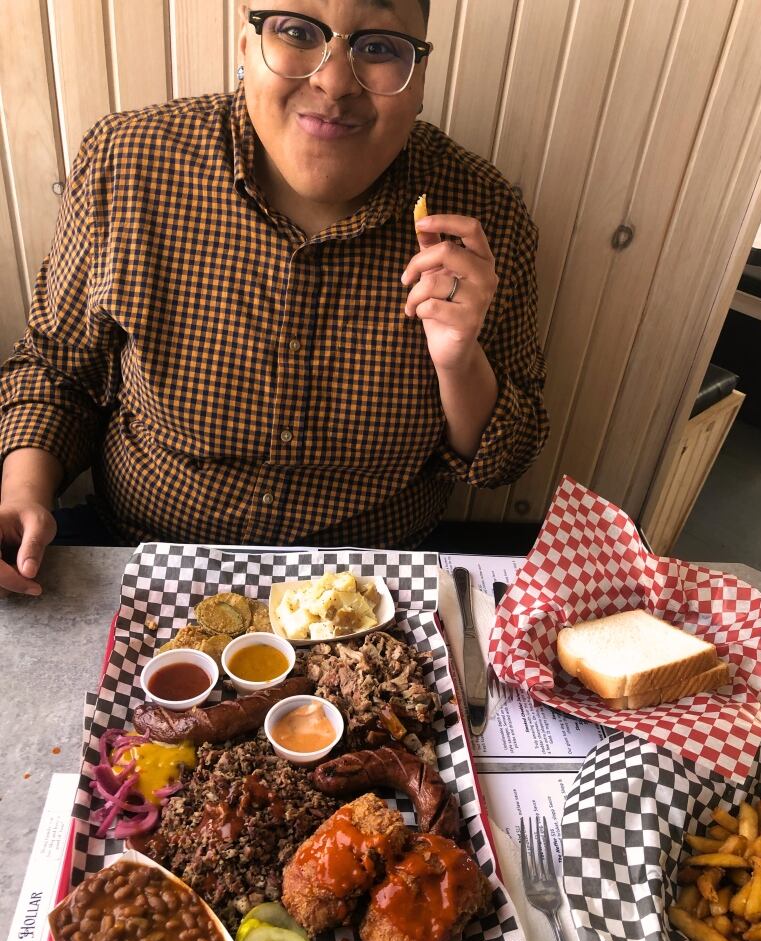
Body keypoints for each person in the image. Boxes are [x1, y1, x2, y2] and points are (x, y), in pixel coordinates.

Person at [0, 0, 548, 597]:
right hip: (143, 562)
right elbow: (57, 371)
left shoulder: (484, 212)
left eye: (380, 46)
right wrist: (23, 499)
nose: (334, 82)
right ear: (246, 46)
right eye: (296, 31)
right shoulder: (129, 161)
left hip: (370, 590)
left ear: (419, 81)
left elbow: (503, 462)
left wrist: (458, 360)